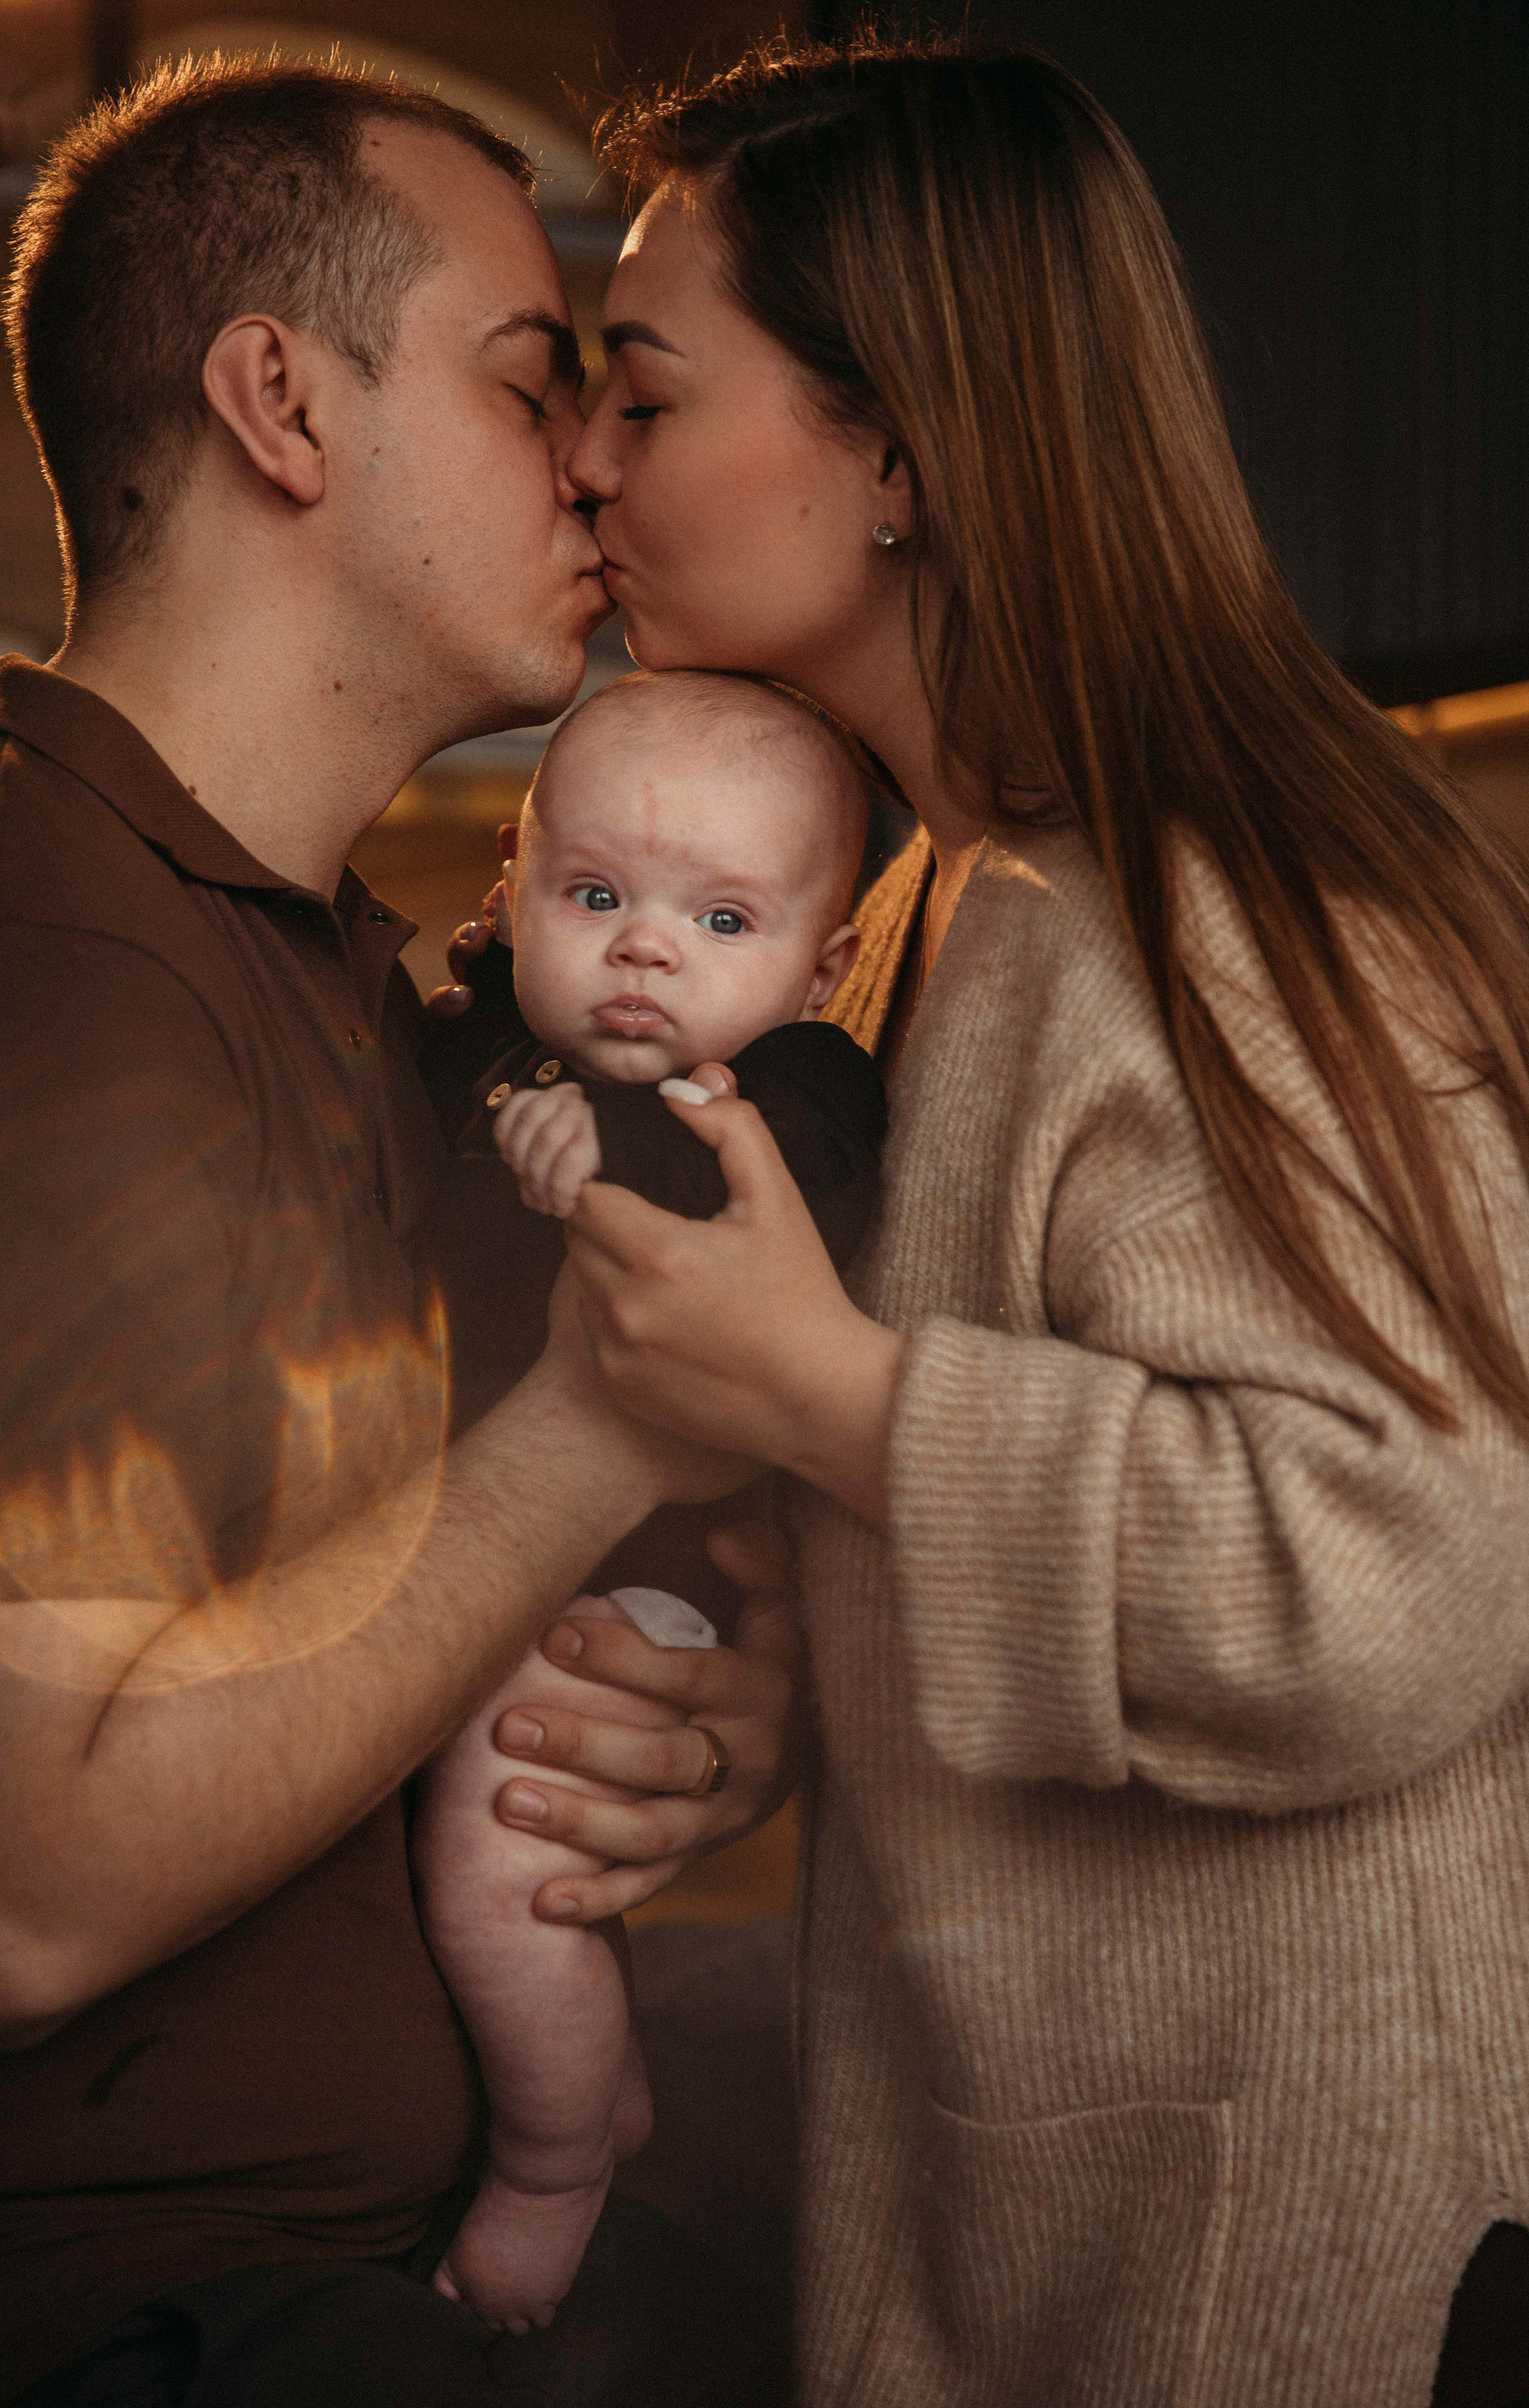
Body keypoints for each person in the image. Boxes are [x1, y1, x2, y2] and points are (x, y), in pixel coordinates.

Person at [480, 33, 1529, 2408]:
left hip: (1318, 2277)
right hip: (1092, 2225)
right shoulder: (929, 911)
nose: (585, 456)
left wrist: (844, 1402)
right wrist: (785, 1669)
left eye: (647, 394)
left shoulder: (1217, 911)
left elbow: (1418, 1549)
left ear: (896, 455)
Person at [0, 58, 796, 2407]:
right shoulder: (67, 955)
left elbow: (355, 1604)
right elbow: (36, 1885)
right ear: (280, 403)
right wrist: (604, 1429)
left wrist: (666, 1722)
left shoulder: (363, 971)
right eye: (530, 371)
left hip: (379, 2237)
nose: (590, 459)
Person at [413, 667, 883, 2337]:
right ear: (514, 886)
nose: (644, 950)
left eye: (721, 917)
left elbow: (736, 1200)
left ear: (821, 967)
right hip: (466, 1552)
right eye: (594, 894)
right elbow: (452, 1079)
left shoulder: (797, 1096)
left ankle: (557, 2158)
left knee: (496, 1846)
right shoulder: (481, 1052)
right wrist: (513, 1100)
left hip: (630, 1591)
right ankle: (581, 2081)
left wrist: (592, 1147)